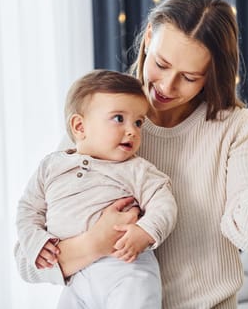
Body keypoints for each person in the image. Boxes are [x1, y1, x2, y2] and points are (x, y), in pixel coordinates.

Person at [14, 0, 248, 308]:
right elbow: (28, 263)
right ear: (148, 38)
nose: (166, 86)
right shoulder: (101, 116)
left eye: (189, 77)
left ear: (211, 74)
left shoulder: (236, 127)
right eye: (160, 64)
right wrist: (97, 242)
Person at [14, 70, 177, 308]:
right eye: (119, 118)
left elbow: (164, 204)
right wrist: (36, 242)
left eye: (138, 122)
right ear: (80, 126)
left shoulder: (136, 169)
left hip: (125, 269)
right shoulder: (51, 166)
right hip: (76, 277)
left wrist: (145, 231)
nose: (132, 130)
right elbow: (28, 210)